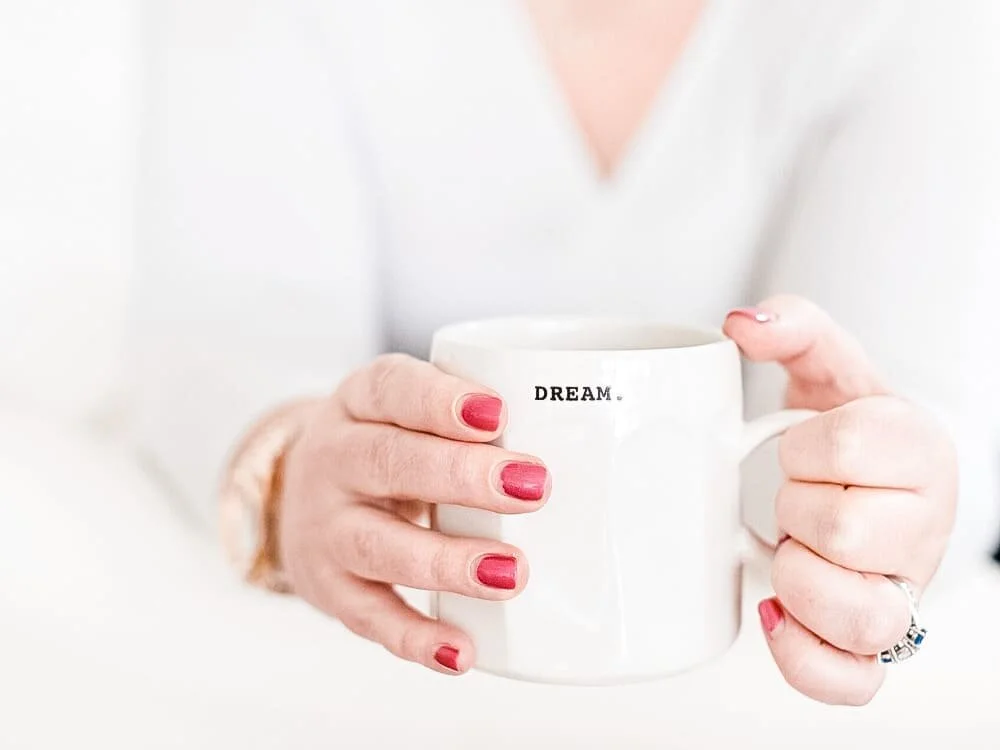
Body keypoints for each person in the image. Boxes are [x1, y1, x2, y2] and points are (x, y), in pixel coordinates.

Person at [131, 0, 1000, 707]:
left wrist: (891, 508)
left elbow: (933, 402)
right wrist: (290, 468)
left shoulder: (909, 19)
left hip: (730, 692)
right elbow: (220, 335)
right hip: (382, 671)